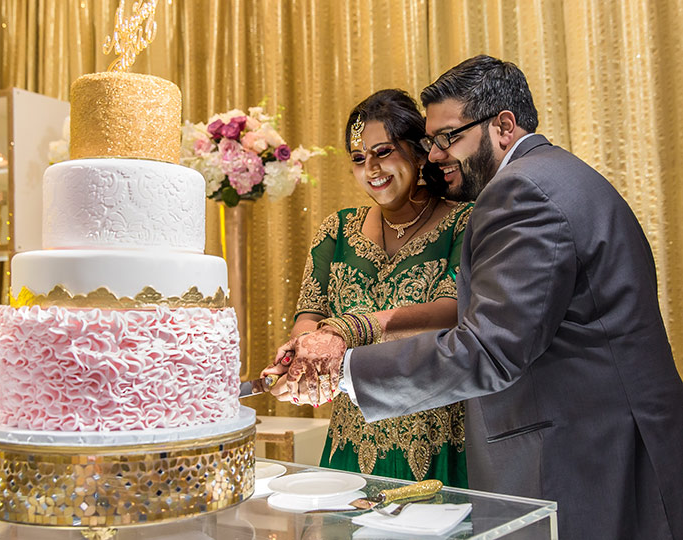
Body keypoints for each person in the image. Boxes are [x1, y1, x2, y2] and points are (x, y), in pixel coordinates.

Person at [270, 56, 683, 540]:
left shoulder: (520, 191)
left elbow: (489, 347)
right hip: (607, 434)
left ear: (503, 126)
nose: (438, 155)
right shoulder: (559, 175)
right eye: (432, 141)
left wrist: (346, 369)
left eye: (449, 137)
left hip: (585, 449)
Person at [263, 89, 472, 486]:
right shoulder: (336, 230)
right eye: (359, 159)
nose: (371, 168)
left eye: (383, 151)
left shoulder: (464, 222)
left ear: (418, 151)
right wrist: (302, 352)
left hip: (437, 436)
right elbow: (309, 315)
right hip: (351, 438)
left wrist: (347, 329)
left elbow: (452, 311)